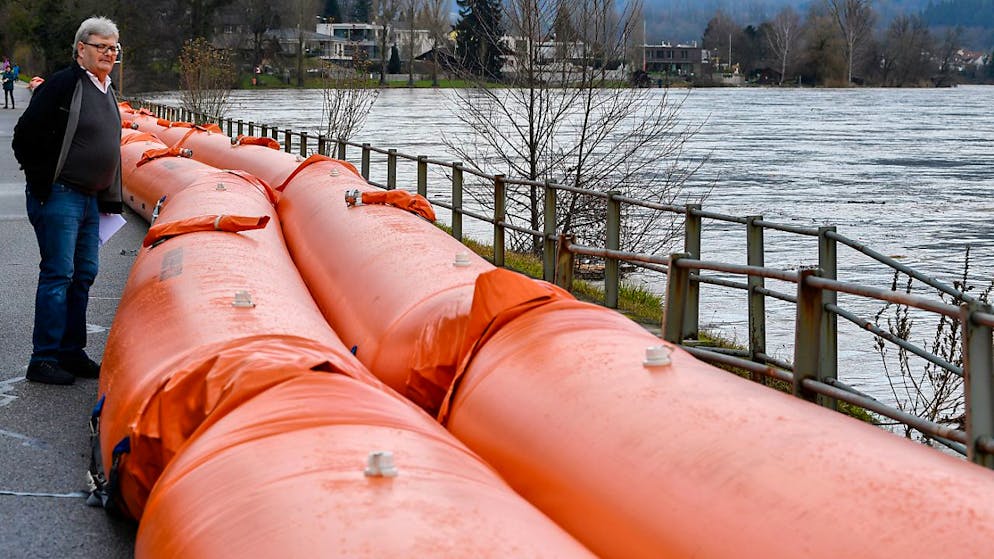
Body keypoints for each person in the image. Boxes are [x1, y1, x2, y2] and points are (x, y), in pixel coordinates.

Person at [11, 16, 123, 385]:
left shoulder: (106, 89)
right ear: (81, 49)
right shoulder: (64, 85)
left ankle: (71, 352)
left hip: (91, 199)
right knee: (59, 274)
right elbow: (24, 136)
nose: (109, 53)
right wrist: (45, 178)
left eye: (113, 48)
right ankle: (42, 359)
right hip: (61, 195)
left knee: (83, 275)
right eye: (102, 46)